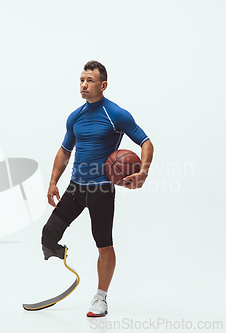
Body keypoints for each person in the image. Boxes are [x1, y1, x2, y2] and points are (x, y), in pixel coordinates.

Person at [40, 60, 154, 317]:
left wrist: (143, 172)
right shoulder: (75, 117)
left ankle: (100, 298)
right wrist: (52, 182)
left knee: (103, 244)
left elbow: (146, 142)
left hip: (102, 189)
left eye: (89, 80)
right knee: (48, 236)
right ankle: (66, 260)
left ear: (103, 85)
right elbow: (64, 150)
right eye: (81, 80)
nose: (83, 85)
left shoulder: (116, 114)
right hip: (75, 187)